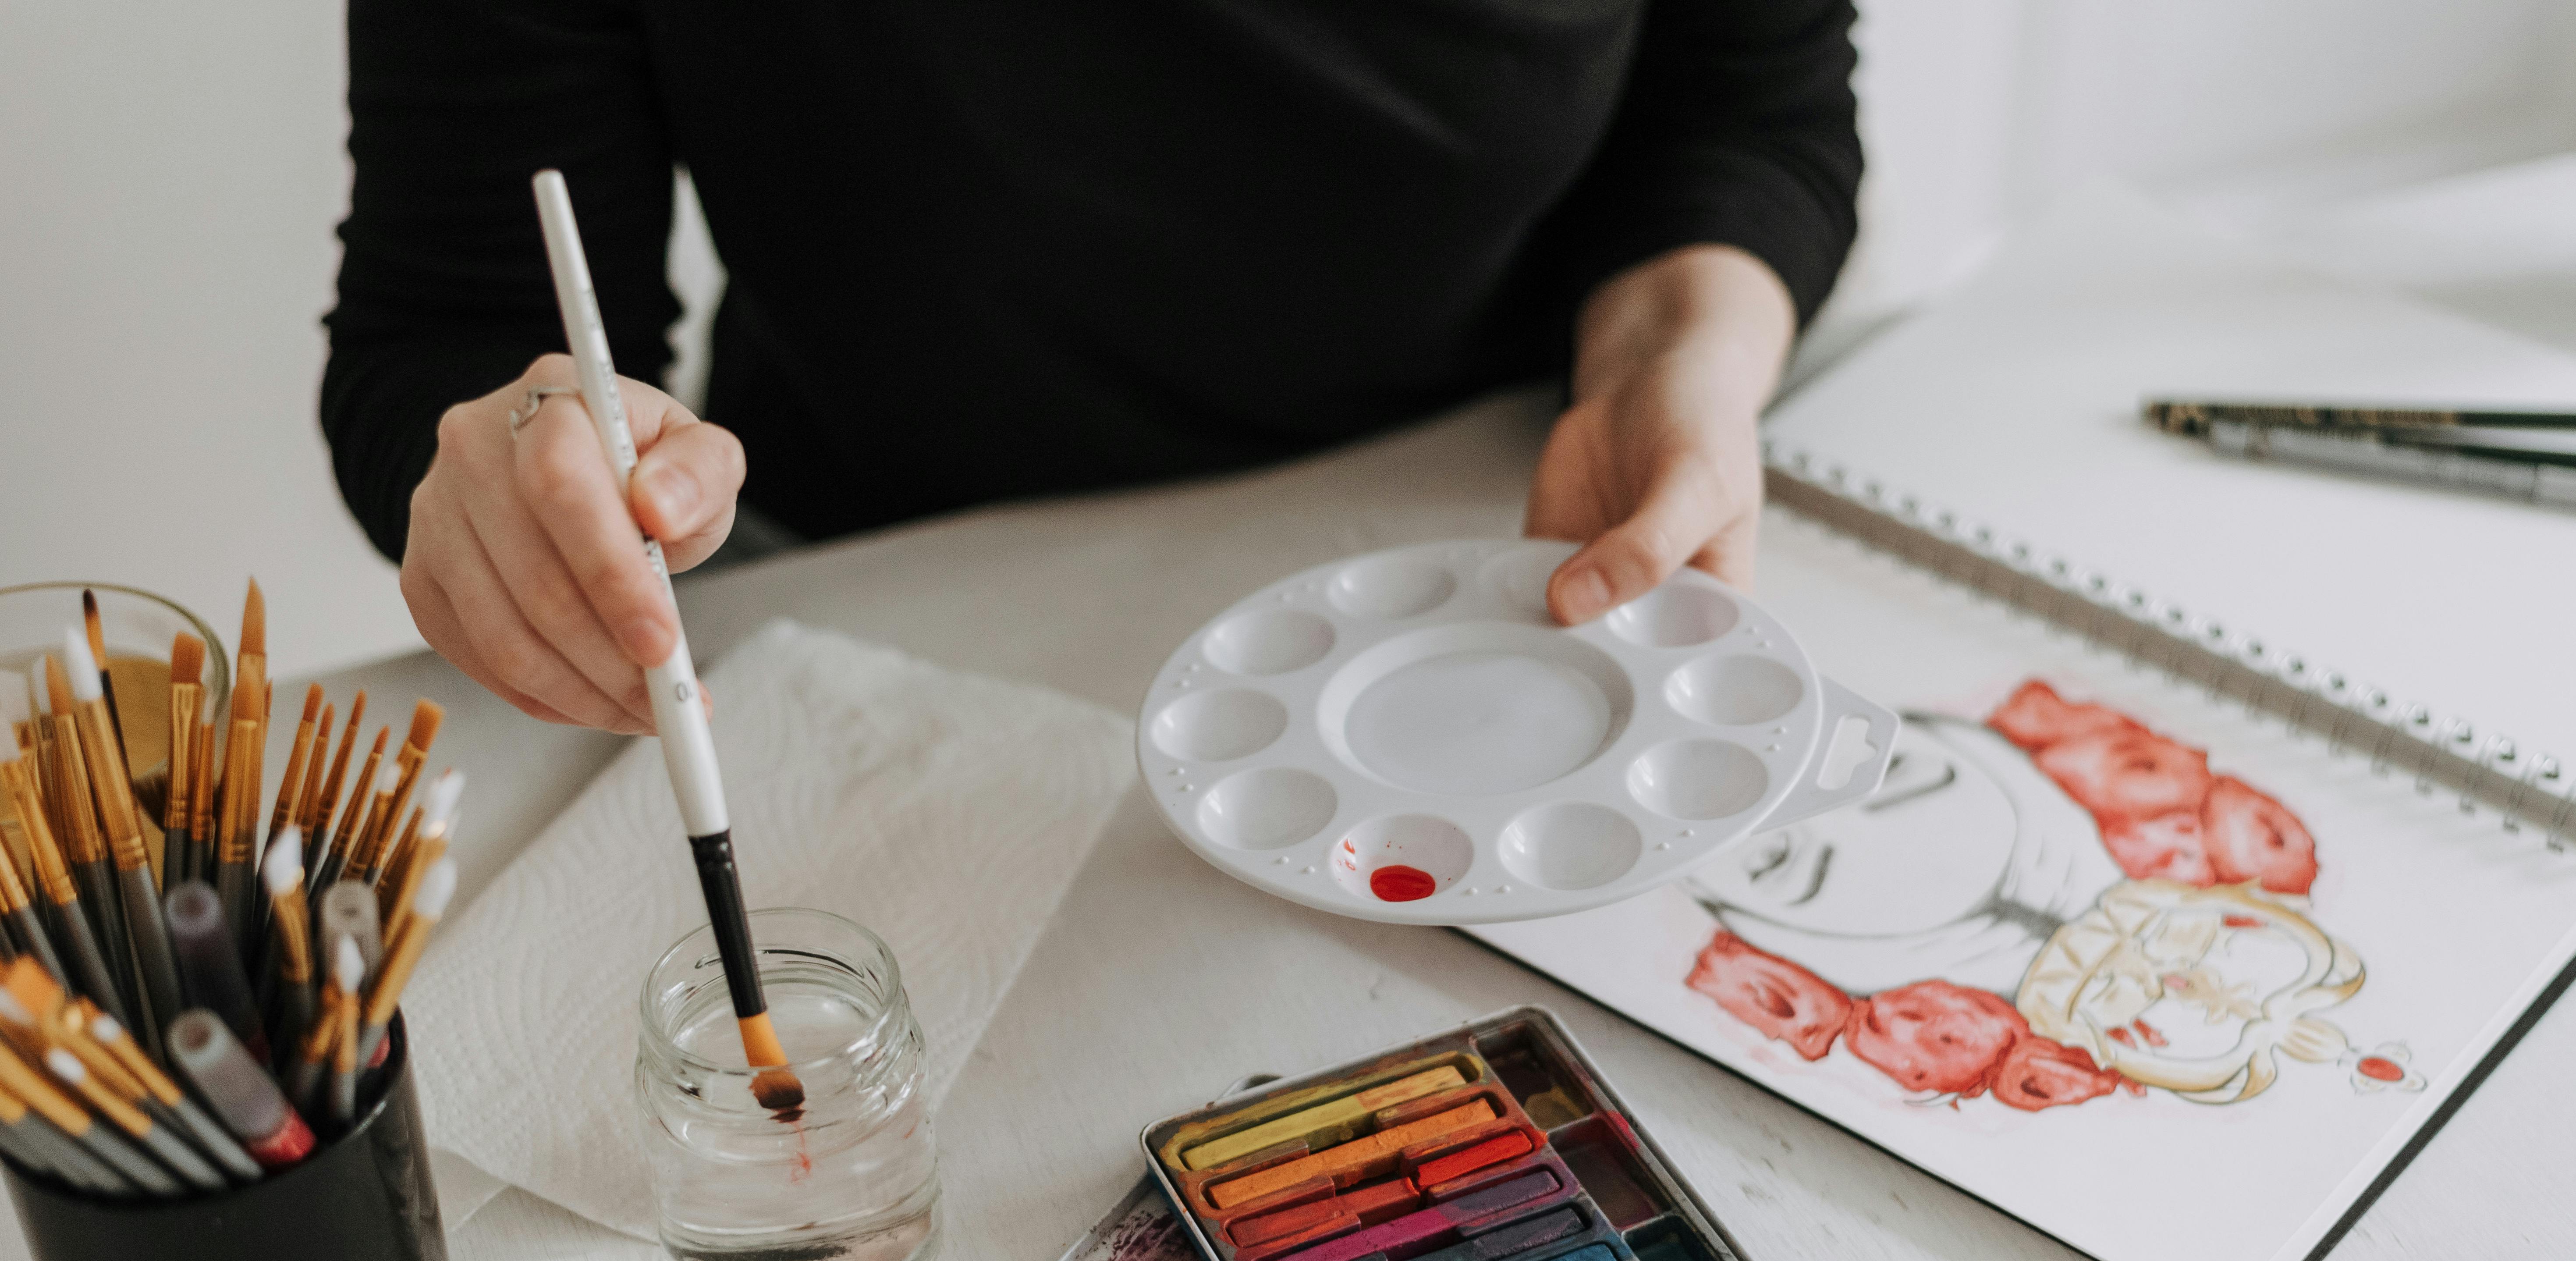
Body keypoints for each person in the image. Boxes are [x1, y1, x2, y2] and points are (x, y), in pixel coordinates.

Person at [323, 1, 1863, 736]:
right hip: (885, 616)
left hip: (1501, 560)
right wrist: (526, 463)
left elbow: (1744, 114)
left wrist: (1683, 354)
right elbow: (453, 321)